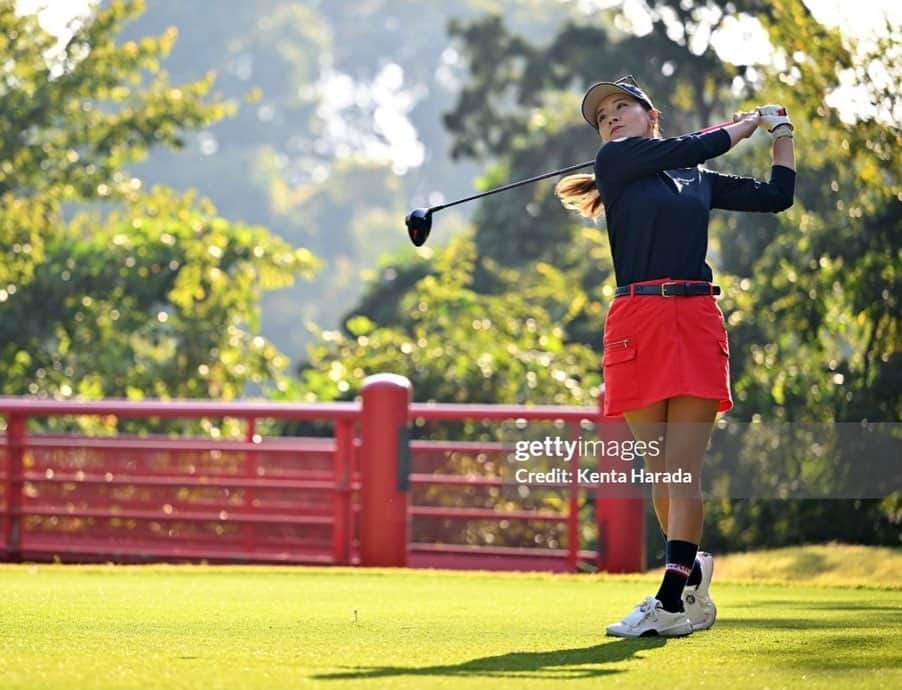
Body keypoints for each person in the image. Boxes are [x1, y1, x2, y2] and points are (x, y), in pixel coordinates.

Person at [555, 75, 796, 637]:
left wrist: (781, 131)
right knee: (662, 472)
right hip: (635, 323)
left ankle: (670, 599)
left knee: (682, 467)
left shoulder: (697, 180)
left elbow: (776, 197)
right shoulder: (615, 163)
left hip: (692, 319)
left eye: (621, 106)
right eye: (601, 114)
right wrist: (744, 125)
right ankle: (689, 582)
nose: (610, 117)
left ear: (649, 113)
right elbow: (698, 144)